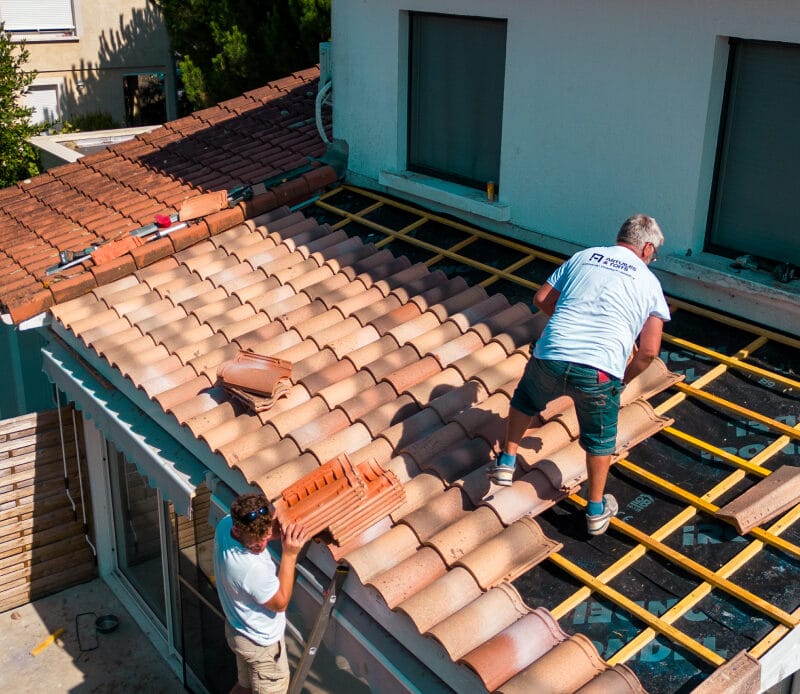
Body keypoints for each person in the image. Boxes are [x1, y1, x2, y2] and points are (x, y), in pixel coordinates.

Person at [489, 214, 671, 536]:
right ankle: (596, 511)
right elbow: (649, 353)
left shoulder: (584, 257)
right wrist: (622, 379)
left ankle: (506, 461)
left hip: (552, 355)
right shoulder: (649, 284)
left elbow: (542, 299)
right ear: (645, 248)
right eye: (654, 253)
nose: (652, 259)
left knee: (525, 399)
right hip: (599, 371)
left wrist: (567, 328)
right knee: (599, 440)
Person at [213, 492, 309, 694]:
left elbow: (260, 532)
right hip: (261, 646)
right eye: (256, 542)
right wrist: (290, 555)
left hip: (239, 630)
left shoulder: (225, 526)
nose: (262, 545)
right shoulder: (250, 569)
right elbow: (281, 602)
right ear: (238, 531)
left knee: (245, 687)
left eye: (265, 536)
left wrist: (274, 531)